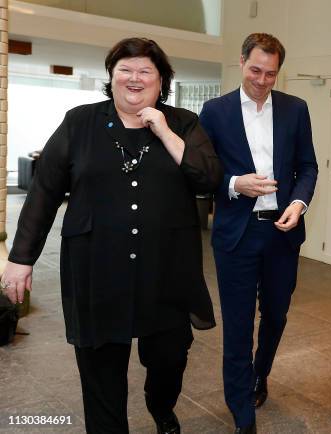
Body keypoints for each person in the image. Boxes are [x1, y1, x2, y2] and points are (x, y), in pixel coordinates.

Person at [1, 37, 222, 434]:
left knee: (169, 359)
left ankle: (160, 404)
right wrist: (21, 258)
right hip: (97, 270)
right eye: (125, 69)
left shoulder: (185, 122)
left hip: (165, 272)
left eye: (145, 71)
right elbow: (44, 191)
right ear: (112, 76)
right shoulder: (79, 122)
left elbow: (207, 178)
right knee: (101, 375)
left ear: (161, 81)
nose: (134, 78)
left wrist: (163, 129)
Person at [199, 33, 318, 434]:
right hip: (236, 234)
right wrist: (235, 184)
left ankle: (259, 375)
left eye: (271, 73)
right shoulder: (215, 111)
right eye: (255, 70)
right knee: (237, 325)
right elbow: (204, 174)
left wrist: (298, 204)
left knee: (277, 316)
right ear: (241, 62)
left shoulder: (295, 109)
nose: (262, 80)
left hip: (282, 233)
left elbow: (308, 167)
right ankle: (242, 414)